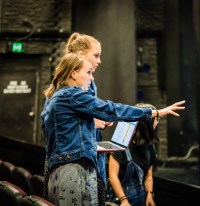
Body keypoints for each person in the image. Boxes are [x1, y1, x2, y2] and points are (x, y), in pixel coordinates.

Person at [41, 53, 185, 205]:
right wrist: (154, 113)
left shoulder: (58, 96)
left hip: (63, 169)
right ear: (73, 73)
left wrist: (93, 123)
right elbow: (112, 109)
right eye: (89, 72)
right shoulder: (71, 94)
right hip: (72, 170)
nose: (92, 78)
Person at [41, 32, 113, 206]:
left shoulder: (88, 83)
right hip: (72, 162)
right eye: (96, 55)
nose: (99, 61)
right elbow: (48, 123)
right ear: (80, 56)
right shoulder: (66, 88)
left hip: (85, 157)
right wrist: (92, 122)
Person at [108, 103, 160, 206]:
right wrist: (124, 200)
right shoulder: (120, 145)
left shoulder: (150, 146)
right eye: (156, 119)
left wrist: (149, 194)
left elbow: (148, 175)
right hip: (122, 197)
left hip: (141, 195)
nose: (157, 122)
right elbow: (112, 176)